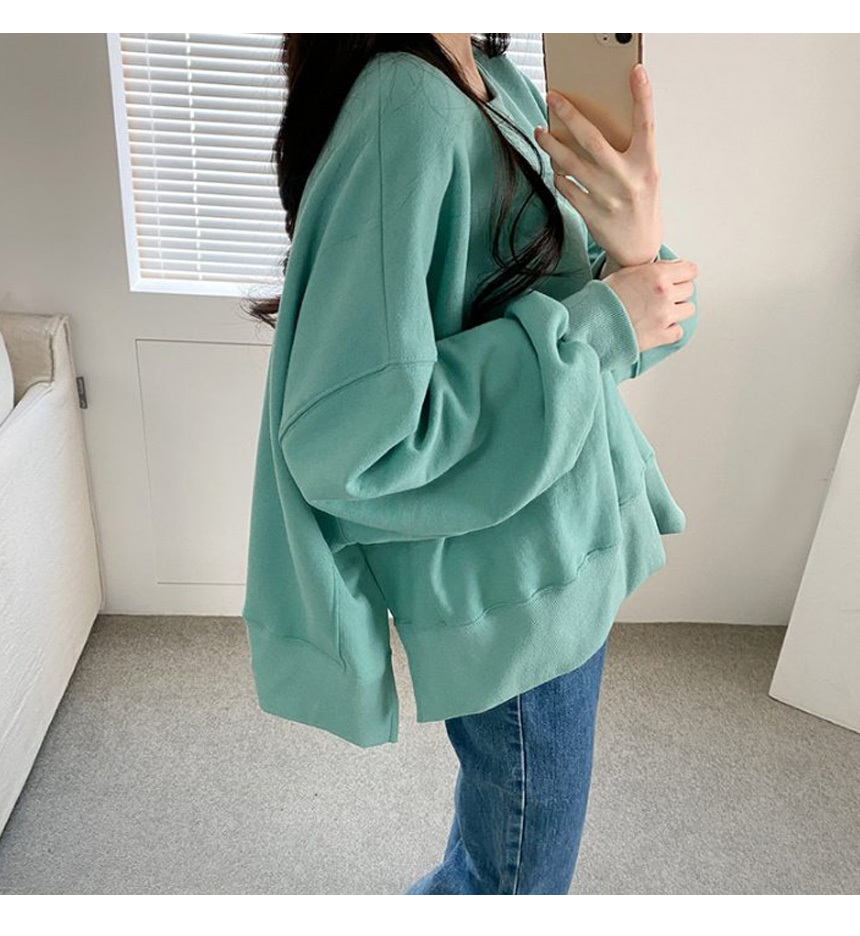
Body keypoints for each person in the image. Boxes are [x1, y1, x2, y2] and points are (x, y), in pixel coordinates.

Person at [241, 33, 699, 895]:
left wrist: (636, 254)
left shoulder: (486, 73)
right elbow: (352, 438)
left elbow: (588, 308)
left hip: (551, 553)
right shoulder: (404, 103)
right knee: (511, 883)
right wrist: (605, 322)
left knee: (503, 863)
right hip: (511, 583)